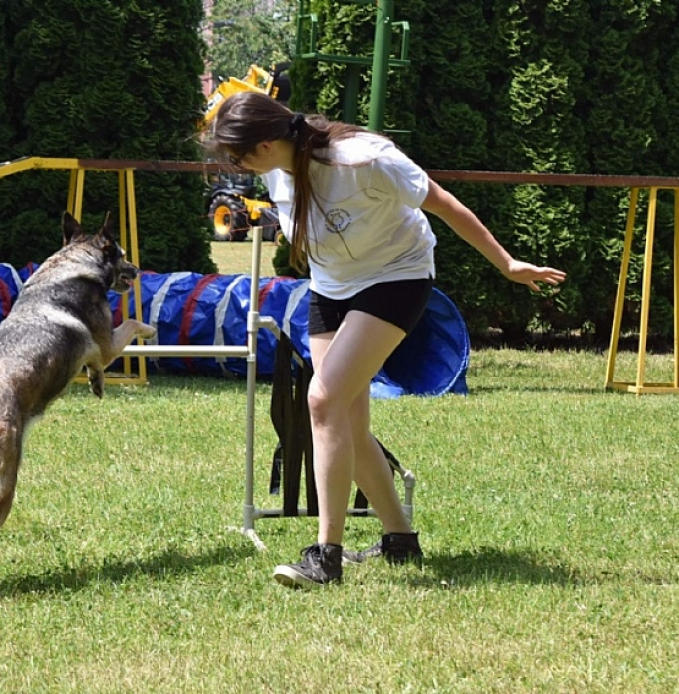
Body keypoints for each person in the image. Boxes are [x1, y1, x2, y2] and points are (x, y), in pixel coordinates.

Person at [207, 91, 566, 588]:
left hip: (397, 278)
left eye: (236, 154)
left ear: (266, 144)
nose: (234, 164)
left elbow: (444, 204)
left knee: (322, 399)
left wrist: (507, 264)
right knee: (347, 422)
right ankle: (399, 537)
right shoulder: (276, 169)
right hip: (330, 288)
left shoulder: (364, 160)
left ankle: (325, 556)